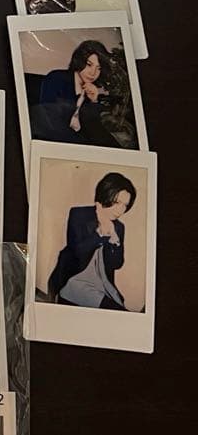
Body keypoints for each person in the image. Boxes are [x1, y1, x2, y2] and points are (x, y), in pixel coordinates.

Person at [48, 172, 137, 311]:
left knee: (121, 308)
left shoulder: (119, 227)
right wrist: (101, 233)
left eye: (125, 205)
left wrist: (113, 238)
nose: (121, 210)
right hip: (74, 280)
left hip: (101, 283)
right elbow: (77, 252)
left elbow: (117, 264)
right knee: (115, 310)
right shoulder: (79, 214)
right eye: (117, 202)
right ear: (105, 195)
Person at [31, 39, 122, 148]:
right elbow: (48, 121)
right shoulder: (56, 78)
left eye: (98, 68)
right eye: (89, 65)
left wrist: (94, 101)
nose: (93, 73)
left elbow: (93, 128)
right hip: (53, 142)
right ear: (79, 61)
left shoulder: (89, 91)